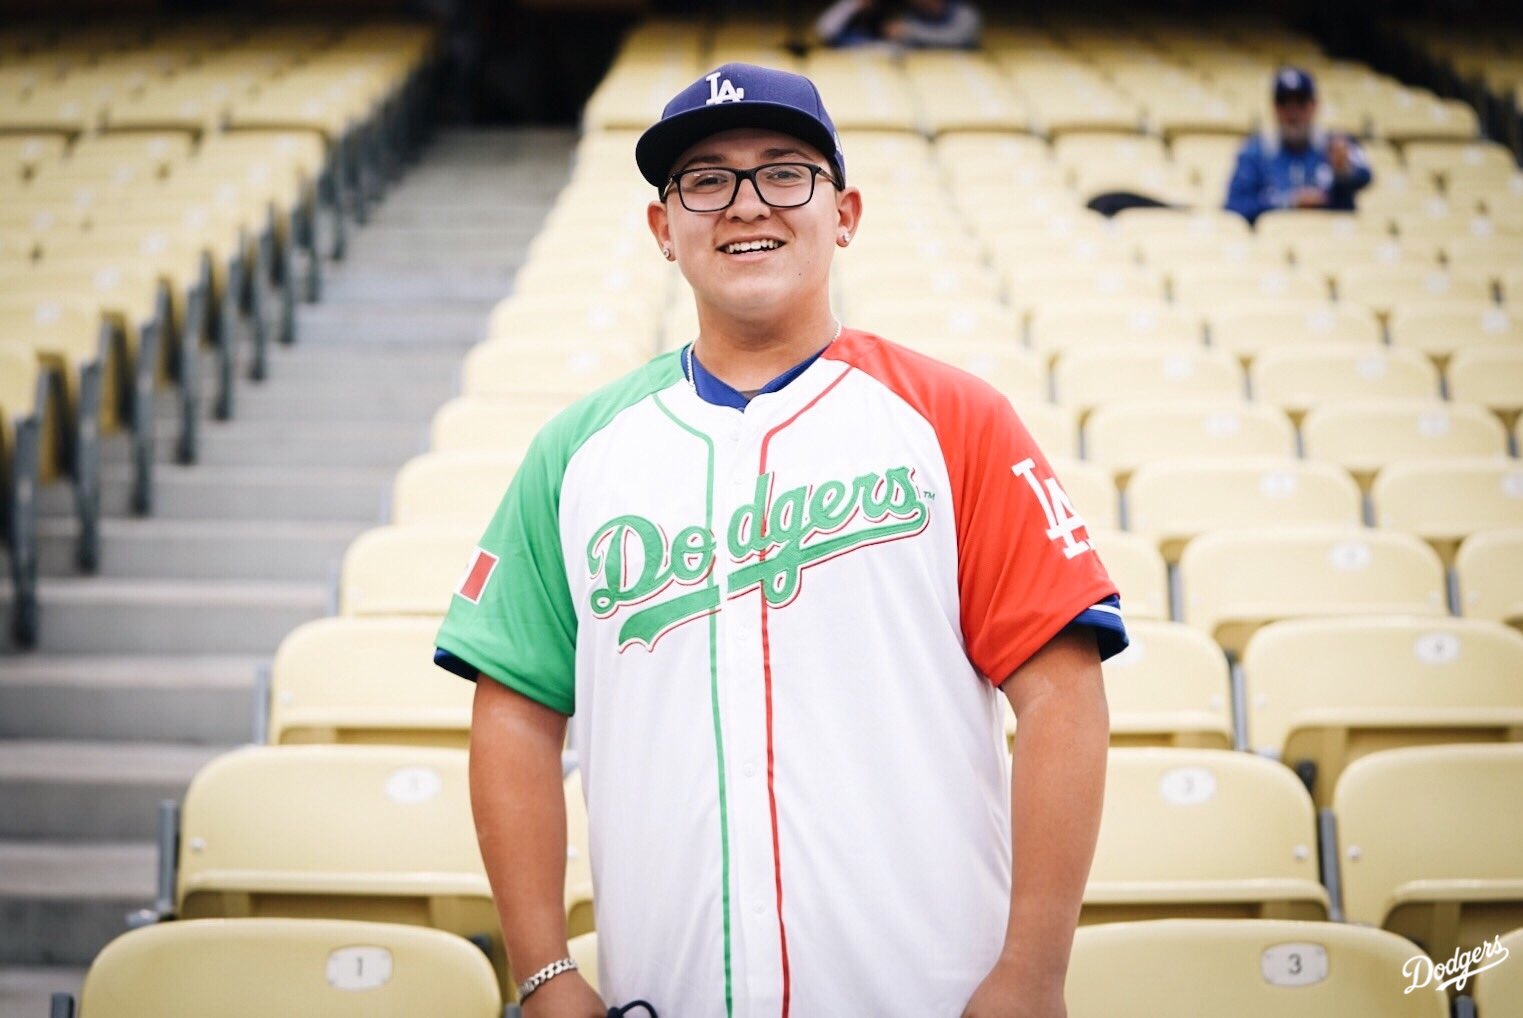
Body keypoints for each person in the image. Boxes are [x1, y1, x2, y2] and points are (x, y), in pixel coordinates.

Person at [437, 61, 1124, 1017]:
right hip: (667, 992)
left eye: (783, 171)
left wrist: (1034, 970)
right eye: (704, 180)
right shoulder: (576, 452)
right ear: (662, 229)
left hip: (924, 989)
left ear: (842, 212)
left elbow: (1061, 695)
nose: (743, 202)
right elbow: (513, 713)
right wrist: (545, 974)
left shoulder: (956, 419)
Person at [1226, 67, 1373, 224]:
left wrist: (1343, 171)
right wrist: (1289, 201)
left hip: (1333, 240)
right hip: (1276, 242)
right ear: (1274, 108)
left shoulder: (1336, 143)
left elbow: (1365, 176)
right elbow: (1234, 206)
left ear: (1314, 105)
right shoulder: (1254, 151)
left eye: (1300, 102)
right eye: (1284, 103)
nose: (1293, 113)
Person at [815, 0, 981, 49]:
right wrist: (852, 5)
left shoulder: (963, 13)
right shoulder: (904, 15)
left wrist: (909, 32)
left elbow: (962, 38)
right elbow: (825, 32)